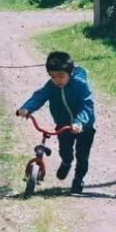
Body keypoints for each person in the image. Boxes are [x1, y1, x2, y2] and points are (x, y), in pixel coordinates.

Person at [16, 51, 96, 193]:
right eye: (53, 77)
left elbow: (87, 105)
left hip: (84, 127)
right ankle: (66, 162)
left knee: (82, 156)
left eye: (61, 76)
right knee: (65, 151)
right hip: (63, 125)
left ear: (70, 73)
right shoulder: (51, 86)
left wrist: (79, 123)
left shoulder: (81, 85)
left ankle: (78, 180)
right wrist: (27, 108)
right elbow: (40, 96)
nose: (57, 80)